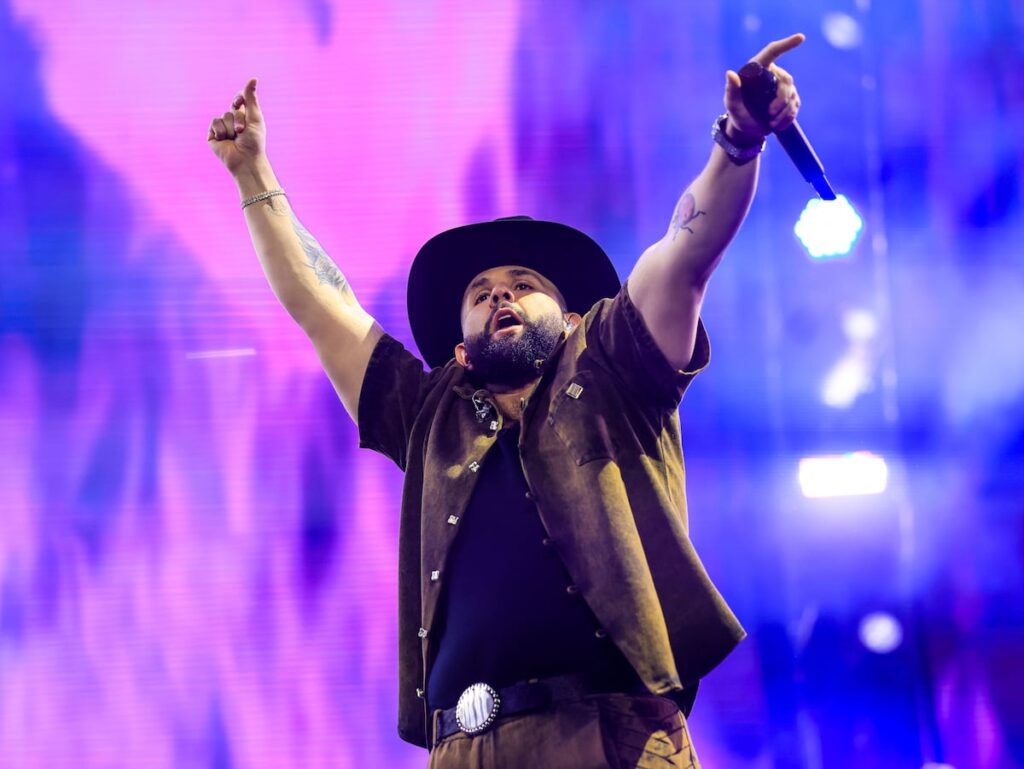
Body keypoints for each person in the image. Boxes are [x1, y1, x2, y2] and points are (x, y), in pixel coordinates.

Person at [208, 32, 805, 769]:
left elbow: (683, 257)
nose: (501, 297)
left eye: (523, 284)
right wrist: (254, 175)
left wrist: (738, 143)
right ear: (460, 350)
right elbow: (320, 307)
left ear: (575, 317)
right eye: (482, 293)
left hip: (610, 734)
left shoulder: (616, 366)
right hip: (464, 749)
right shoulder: (427, 413)